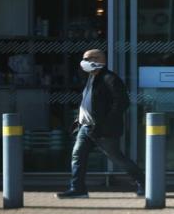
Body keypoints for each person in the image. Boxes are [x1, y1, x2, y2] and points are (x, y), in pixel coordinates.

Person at [56, 49, 145, 198]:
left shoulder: (110, 78)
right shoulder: (90, 78)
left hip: (103, 129)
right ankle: (78, 189)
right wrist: (79, 119)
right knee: (77, 155)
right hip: (85, 127)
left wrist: (105, 123)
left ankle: (145, 184)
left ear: (98, 60)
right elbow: (88, 102)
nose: (83, 62)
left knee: (117, 158)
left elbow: (122, 102)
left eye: (87, 59)